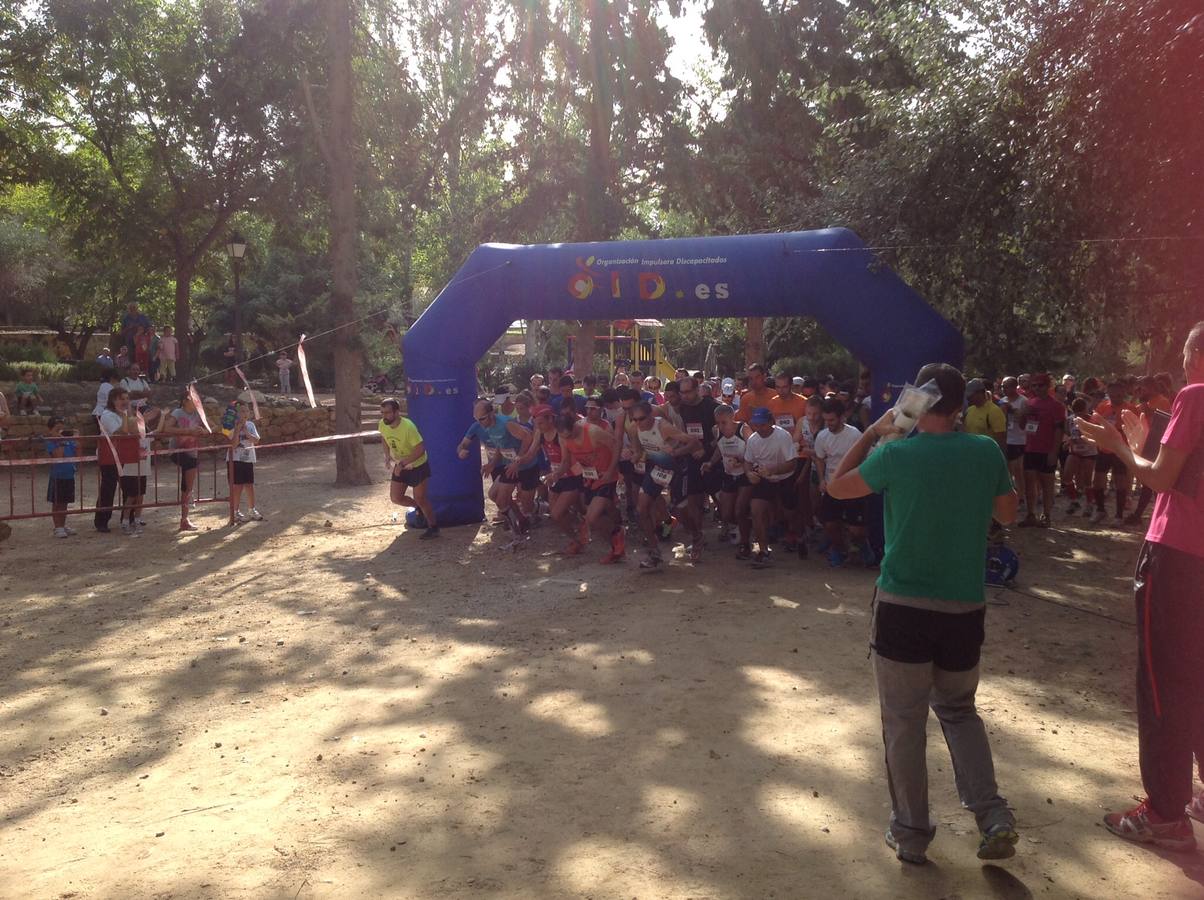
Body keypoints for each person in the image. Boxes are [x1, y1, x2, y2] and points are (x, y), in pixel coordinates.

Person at [826, 362, 1020, 865]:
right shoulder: (985, 451)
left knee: (904, 722)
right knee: (959, 711)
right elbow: (1007, 513)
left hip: (902, 606)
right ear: (959, 406)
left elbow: (837, 486)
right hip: (963, 608)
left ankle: (911, 832)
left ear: (918, 401)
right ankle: (992, 814)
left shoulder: (898, 455)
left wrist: (873, 430)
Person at [1078, 322, 1204, 852]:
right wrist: (1138, 446)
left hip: (1177, 557)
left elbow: (1158, 479)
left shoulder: (1195, 395)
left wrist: (1118, 448)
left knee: (1162, 683)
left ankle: (1165, 813)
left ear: (1195, 355)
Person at [628, 401, 699, 569]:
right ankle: (654, 552)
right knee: (642, 508)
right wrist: (633, 457)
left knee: (679, 509)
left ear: (651, 415)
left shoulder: (663, 427)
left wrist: (676, 452)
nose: (638, 423)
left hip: (676, 468)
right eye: (634, 419)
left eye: (641, 419)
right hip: (656, 468)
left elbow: (694, 442)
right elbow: (638, 451)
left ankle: (697, 537)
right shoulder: (634, 428)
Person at [555, 410, 625, 563]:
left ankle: (617, 541)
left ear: (574, 426)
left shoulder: (592, 432)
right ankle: (616, 535)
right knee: (597, 514)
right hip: (589, 478)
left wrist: (612, 471)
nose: (568, 439)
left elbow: (616, 445)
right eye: (564, 437)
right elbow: (566, 461)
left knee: (592, 517)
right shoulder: (563, 437)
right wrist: (555, 474)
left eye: (570, 435)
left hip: (606, 476)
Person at [458, 399, 537, 534]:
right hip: (510, 466)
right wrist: (492, 464)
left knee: (526, 504)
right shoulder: (487, 426)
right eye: (476, 419)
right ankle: (519, 523)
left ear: (491, 414)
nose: (479, 422)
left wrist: (518, 460)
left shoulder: (506, 423)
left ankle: (529, 516)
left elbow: (528, 437)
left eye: (481, 419)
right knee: (494, 495)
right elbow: (501, 446)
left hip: (526, 466)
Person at [814, 398, 867, 567]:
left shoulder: (854, 435)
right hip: (832, 485)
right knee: (829, 524)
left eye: (832, 420)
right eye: (826, 420)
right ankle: (839, 549)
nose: (828, 423)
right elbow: (820, 459)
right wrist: (822, 479)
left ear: (842, 417)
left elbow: (862, 459)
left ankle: (861, 545)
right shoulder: (822, 436)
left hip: (853, 486)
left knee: (856, 529)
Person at [743, 407, 798, 567]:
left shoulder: (783, 436)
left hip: (784, 478)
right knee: (756, 510)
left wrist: (773, 470)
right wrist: (748, 473)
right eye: (756, 425)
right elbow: (748, 460)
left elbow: (792, 463)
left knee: (789, 513)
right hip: (764, 479)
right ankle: (763, 550)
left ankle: (794, 533)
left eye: (762, 425)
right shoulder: (753, 439)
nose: (759, 429)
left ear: (771, 423)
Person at [378, 399, 438, 538]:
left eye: (387, 413)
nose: (384, 416)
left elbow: (421, 450)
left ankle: (433, 527)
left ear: (397, 412)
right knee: (396, 498)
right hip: (401, 464)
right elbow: (384, 438)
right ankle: (418, 508)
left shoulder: (408, 427)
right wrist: (387, 456)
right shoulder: (382, 424)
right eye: (382, 413)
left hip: (418, 465)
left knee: (421, 498)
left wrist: (402, 464)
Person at [677, 377, 719, 561]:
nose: (684, 396)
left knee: (724, 504)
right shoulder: (681, 408)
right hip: (692, 459)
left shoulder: (712, 407)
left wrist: (705, 450)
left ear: (697, 390)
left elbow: (721, 435)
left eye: (688, 392)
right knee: (691, 501)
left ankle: (730, 527)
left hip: (714, 459)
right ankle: (698, 537)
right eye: (682, 392)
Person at [1018, 373, 1064, 527]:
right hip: (1031, 448)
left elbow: (1059, 431)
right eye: (1034, 385)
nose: (1037, 388)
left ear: (1048, 386)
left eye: (1041, 385)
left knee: (1047, 485)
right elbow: (1022, 426)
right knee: (1029, 484)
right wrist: (1022, 415)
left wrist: (1054, 452)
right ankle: (1031, 514)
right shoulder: (1029, 403)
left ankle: (1046, 515)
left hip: (1047, 450)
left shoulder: (1056, 406)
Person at [1088, 380, 1136, 524]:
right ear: (1109, 394)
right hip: (1104, 449)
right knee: (1097, 482)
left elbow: (1136, 430)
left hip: (1121, 450)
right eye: (1113, 394)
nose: (1116, 397)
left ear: (1124, 394)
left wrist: (1120, 430)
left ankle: (1119, 515)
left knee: (1121, 484)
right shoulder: (1103, 407)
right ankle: (1100, 510)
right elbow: (1094, 424)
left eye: (1119, 394)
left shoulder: (1131, 408)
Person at [94, 387, 139, 534]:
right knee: (108, 488)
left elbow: (134, 429)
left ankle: (127, 518)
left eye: (127, 398)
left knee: (130, 487)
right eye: (122, 399)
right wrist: (127, 416)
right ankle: (101, 521)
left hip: (125, 454)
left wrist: (129, 415)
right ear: (113, 401)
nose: (125, 401)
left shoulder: (124, 414)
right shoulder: (107, 415)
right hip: (109, 456)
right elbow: (122, 432)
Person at [161, 391, 207, 532]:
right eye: (193, 399)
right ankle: (189, 497)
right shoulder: (178, 412)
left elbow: (212, 427)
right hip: (177, 450)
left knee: (186, 486)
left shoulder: (198, 413)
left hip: (192, 451)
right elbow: (166, 428)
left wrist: (204, 431)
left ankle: (185, 518)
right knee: (190, 469)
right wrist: (187, 431)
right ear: (185, 400)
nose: (196, 402)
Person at [226, 401, 263, 525]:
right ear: (236, 413)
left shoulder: (251, 425)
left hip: (248, 459)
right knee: (237, 487)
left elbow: (256, 440)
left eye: (247, 411)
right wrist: (237, 429)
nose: (245, 414)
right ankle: (235, 512)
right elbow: (233, 444)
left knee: (249, 485)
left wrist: (246, 431)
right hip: (235, 460)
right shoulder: (230, 426)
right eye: (242, 411)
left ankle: (251, 509)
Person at [44, 417, 78, 538]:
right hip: (58, 476)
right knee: (57, 502)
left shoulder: (68, 440)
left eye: (62, 429)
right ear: (50, 430)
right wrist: (61, 441)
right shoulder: (51, 442)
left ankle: (62, 525)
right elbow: (58, 455)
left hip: (69, 474)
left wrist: (75, 437)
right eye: (57, 429)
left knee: (65, 502)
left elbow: (77, 451)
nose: (60, 432)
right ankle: (57, 526)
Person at [963, 379, 1006, 450]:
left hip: (988, 453)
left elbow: (1001, 439)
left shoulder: (994, 411)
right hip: (971, 452)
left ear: (980, 393)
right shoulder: (969, 410)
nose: (968, 398)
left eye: (971, 395)